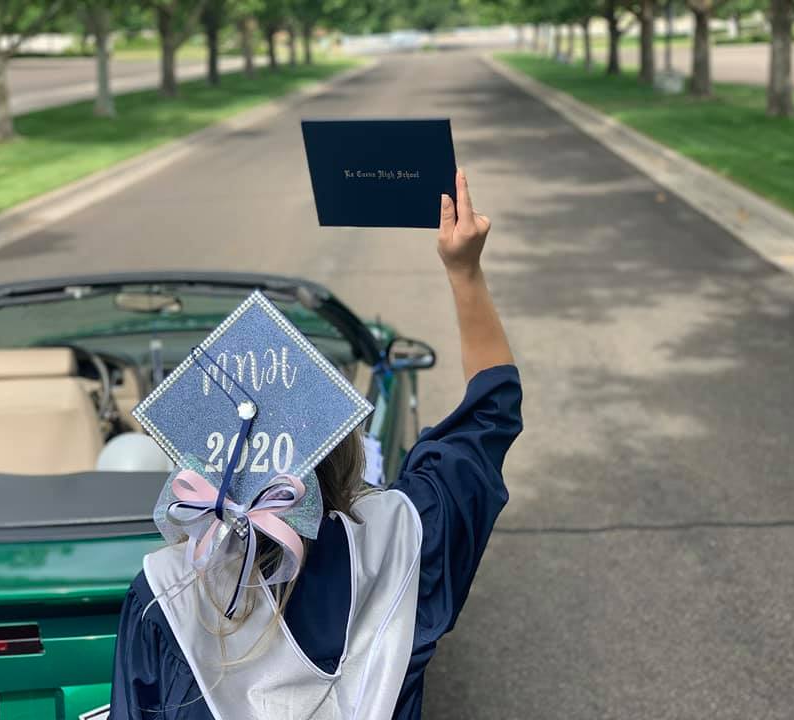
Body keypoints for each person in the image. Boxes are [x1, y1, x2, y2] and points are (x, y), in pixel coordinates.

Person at [108, 169, 523, 719]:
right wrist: (464, 271)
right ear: (340, 445)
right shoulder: (402, 544)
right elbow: (489, 413)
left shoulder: (164, 599)